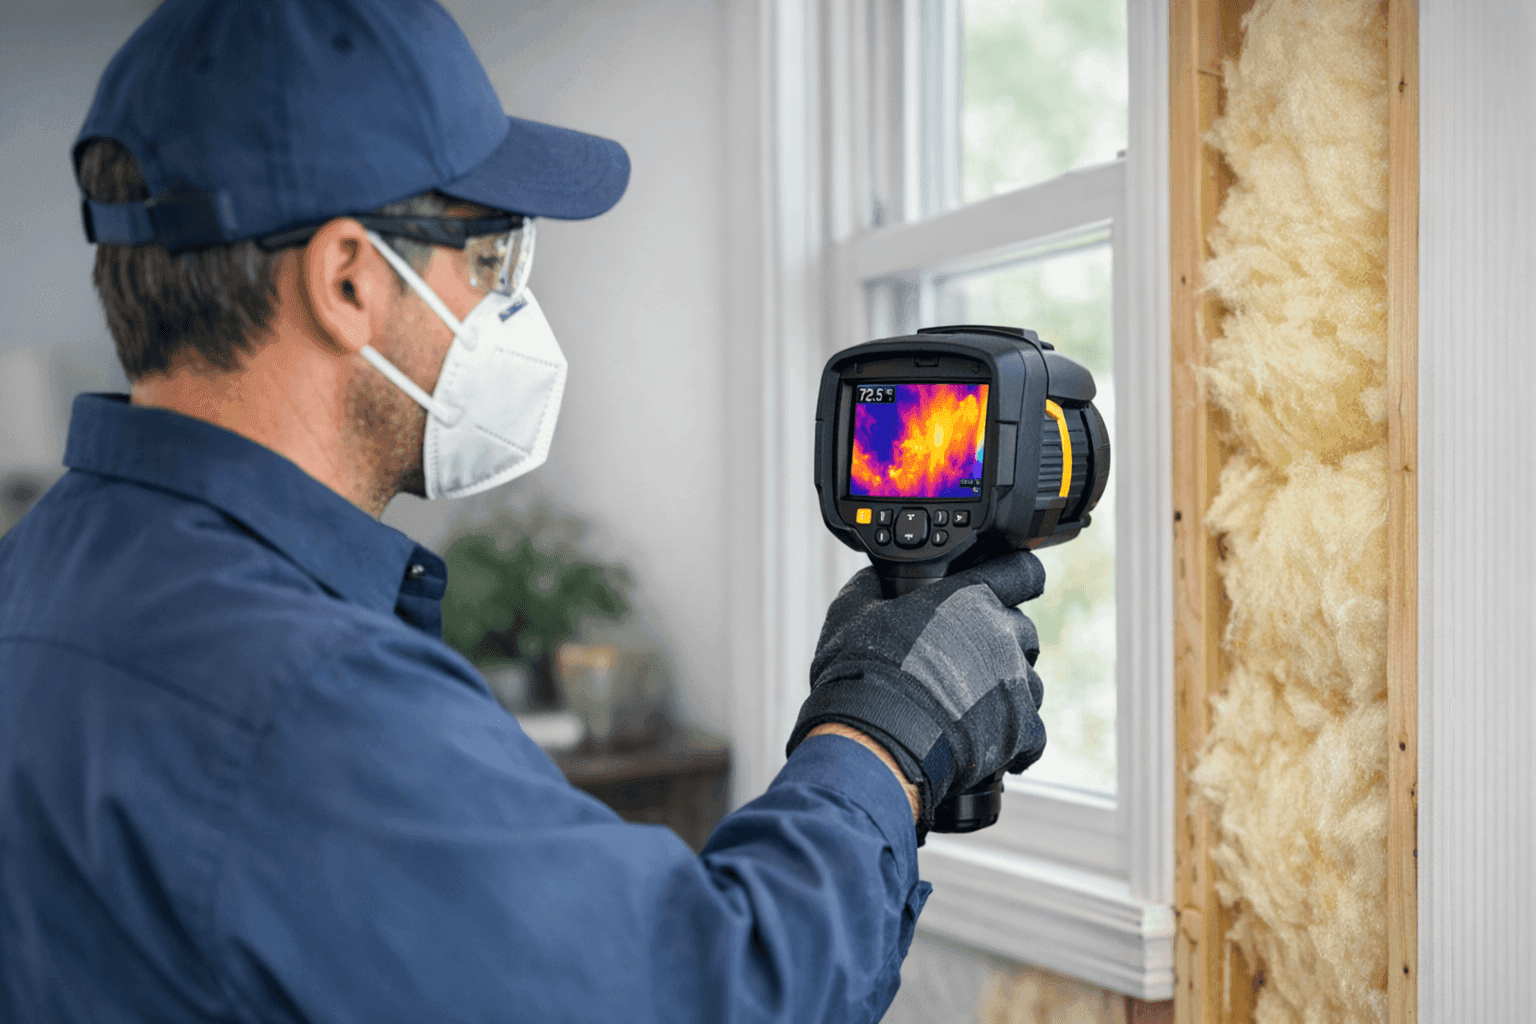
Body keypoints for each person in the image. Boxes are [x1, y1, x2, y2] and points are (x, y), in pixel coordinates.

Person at [0, 2, 1049, 1022]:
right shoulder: (296, 695)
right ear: (350, 281)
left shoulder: (35, 573)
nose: (506, 305)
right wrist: (882, 733)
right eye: (487, 258)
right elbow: (721, 993)